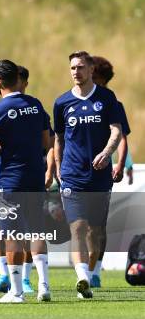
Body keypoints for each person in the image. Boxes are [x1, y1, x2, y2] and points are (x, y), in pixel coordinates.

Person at [0, 59, 53, 303]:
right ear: (18, 79)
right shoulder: (35, 104)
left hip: (9, 180)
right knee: (37, 231)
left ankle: (17, 292)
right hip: (34, 177)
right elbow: (46, 142)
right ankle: (43, 286)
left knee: (13, 235)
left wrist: (2, 147)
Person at [53, 51, 122, 299]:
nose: (75, 72)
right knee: (78, 227)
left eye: (80, 67)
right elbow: (58, 139)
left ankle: (94, 272)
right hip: (72, 175)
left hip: (99, 175)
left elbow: (116, 132)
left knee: (97, 229)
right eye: (72, 67)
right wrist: (59, 168)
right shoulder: (62, 102)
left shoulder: (106, 98)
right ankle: (82, 277)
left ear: (91, 69)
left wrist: (106, 153)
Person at [89, 55, 132, 288]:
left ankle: (95, 270)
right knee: (82, 224)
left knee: (99, 225)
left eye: (96, 78)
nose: (92, 81)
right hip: (80, 169)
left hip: (104, 169)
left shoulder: (113, 103)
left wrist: (121, 163)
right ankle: (85, 267)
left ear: (104, 79)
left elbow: (122, 138)